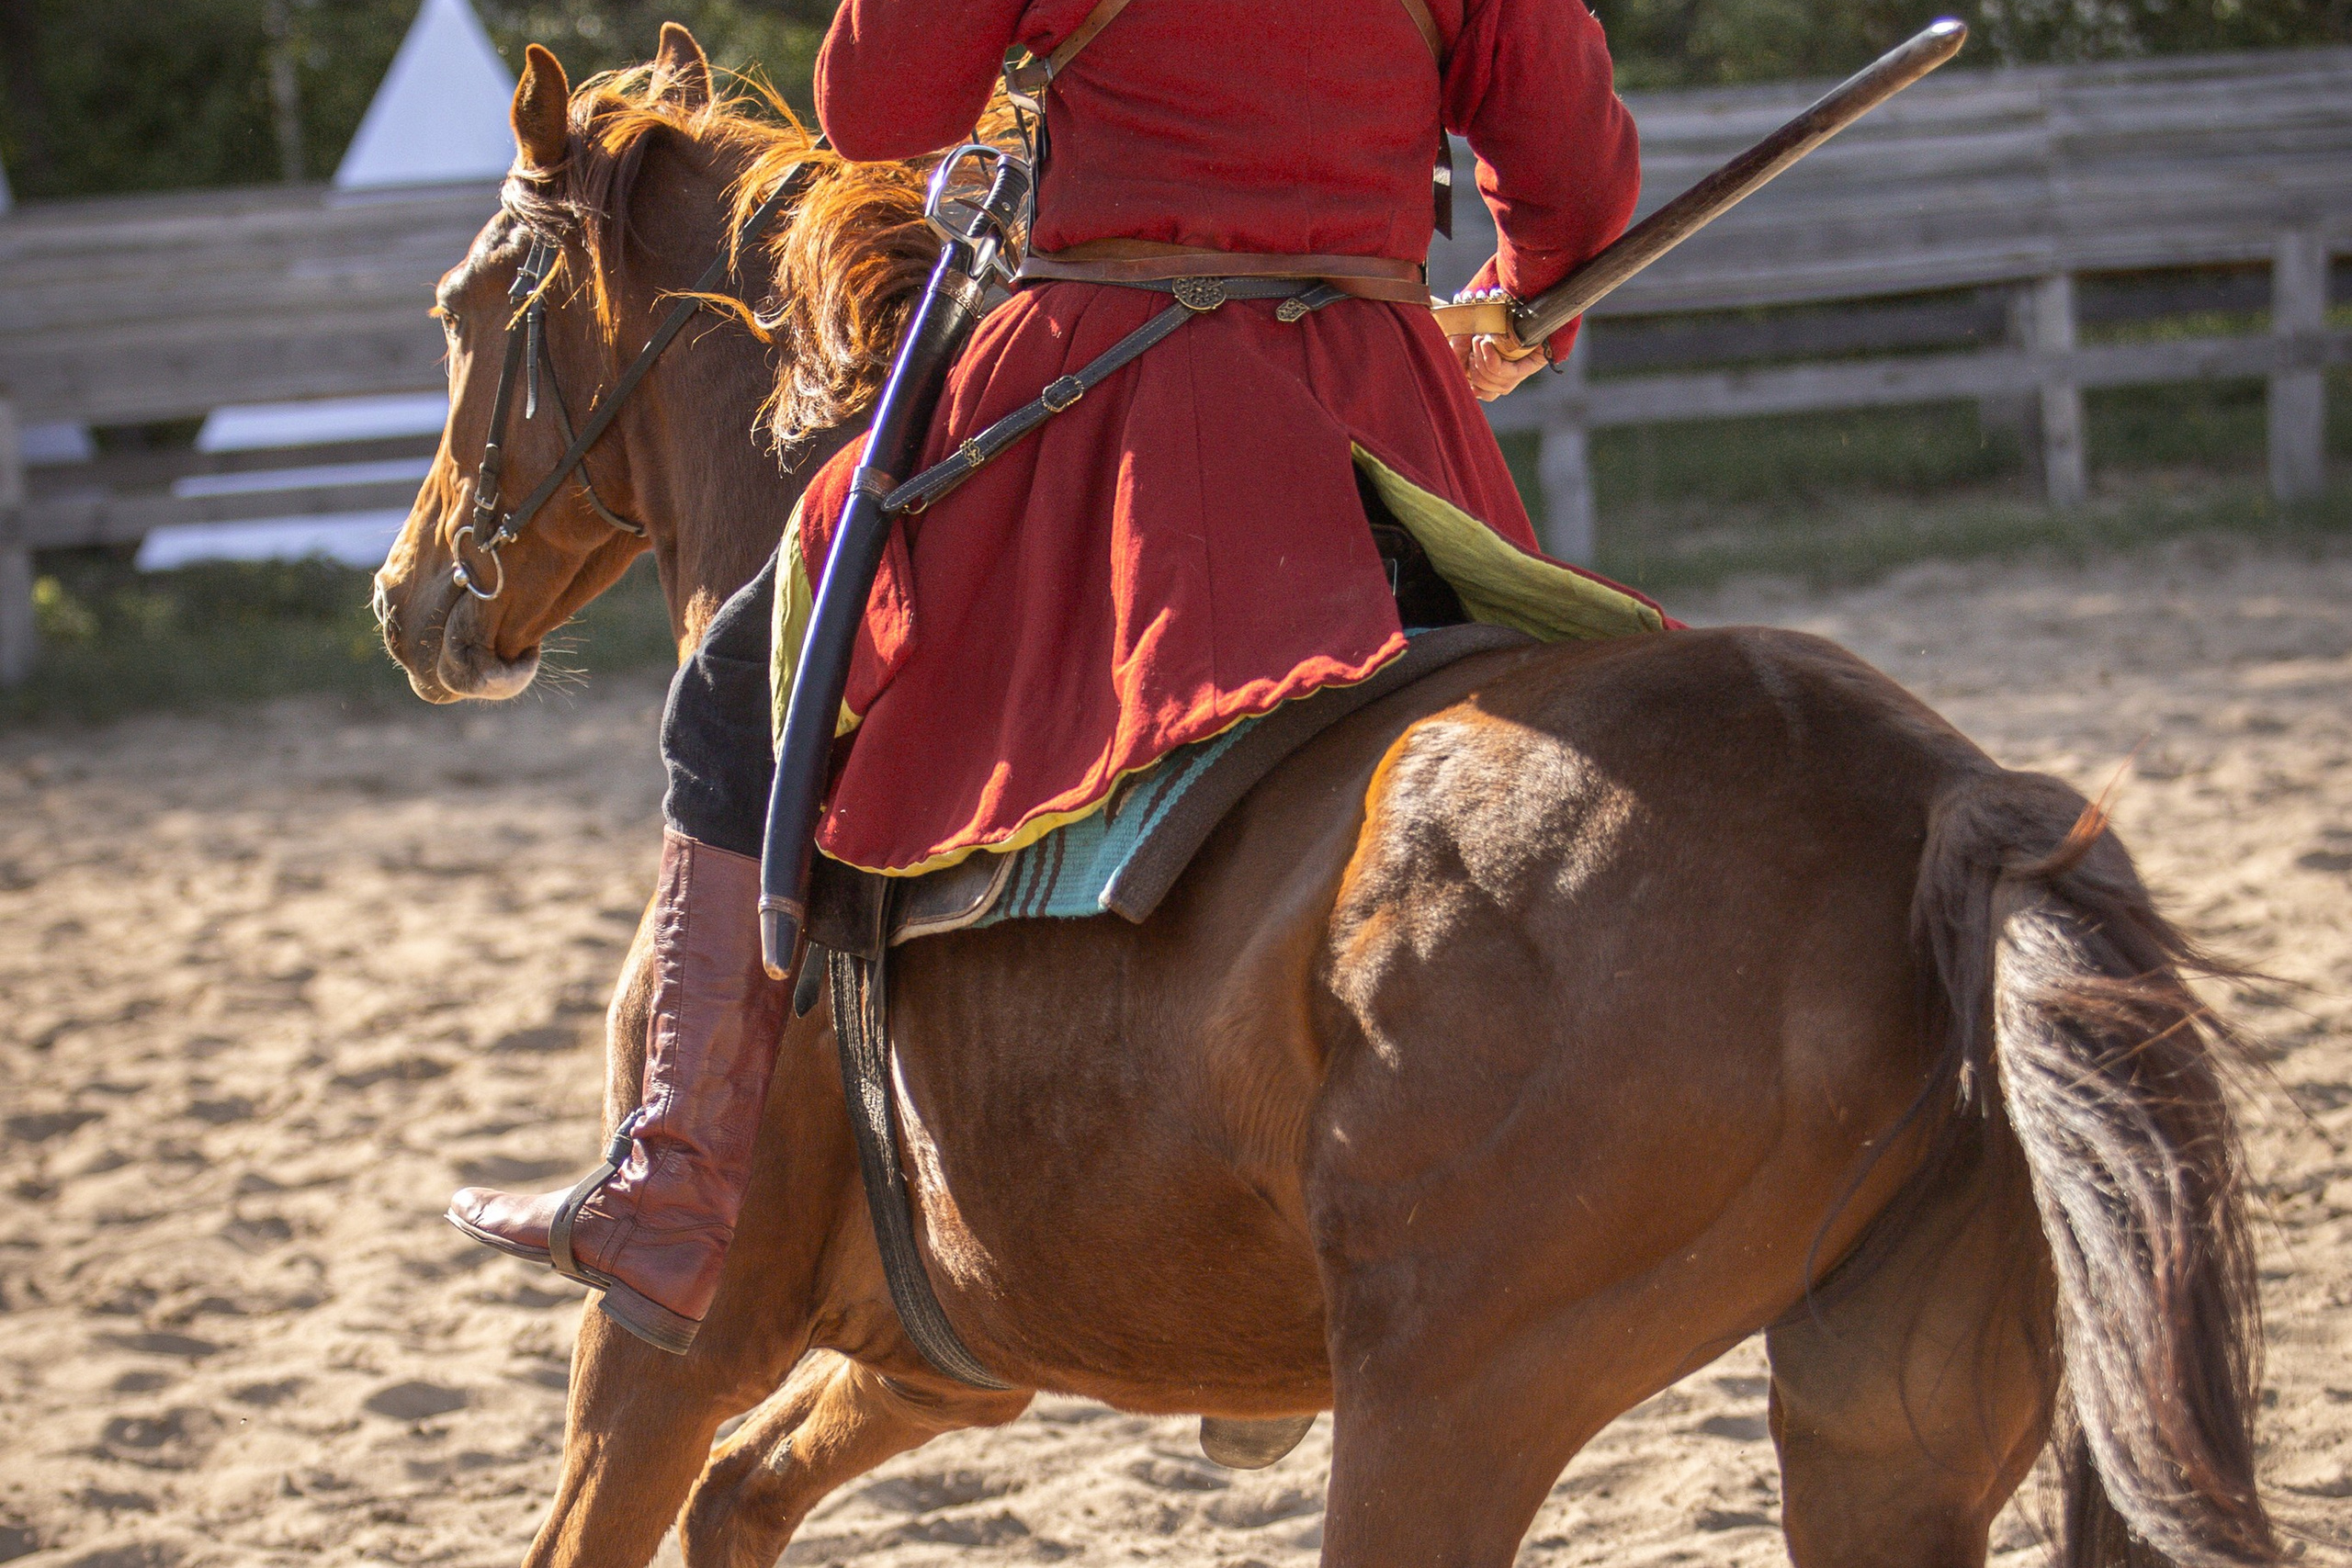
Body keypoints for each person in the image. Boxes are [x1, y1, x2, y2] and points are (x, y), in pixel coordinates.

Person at [448, 0, 1661, 1354]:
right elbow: (1573, 172)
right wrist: (1514, 301)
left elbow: (874, 109)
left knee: (739, 683)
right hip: (1380, 399)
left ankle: (673, 1185)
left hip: (1119, 394)